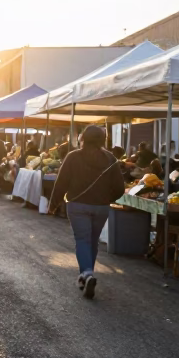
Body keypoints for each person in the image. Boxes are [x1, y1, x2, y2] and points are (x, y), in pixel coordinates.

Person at [48, 125, 127, 299]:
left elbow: (61, 183)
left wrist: (53, 204)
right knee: (93, 241)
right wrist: (107, 198)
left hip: (77, 205)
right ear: (102, 140)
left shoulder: (73, 157)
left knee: (82, 239)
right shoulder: (111, 159)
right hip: (101, 207)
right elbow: (120, 188)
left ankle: (87, 274)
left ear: (83, 138)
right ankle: (86, 275)